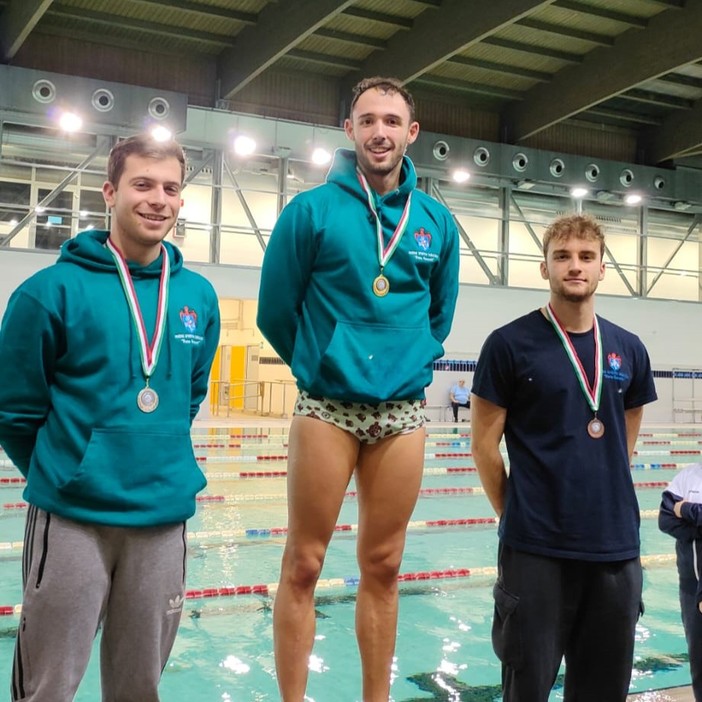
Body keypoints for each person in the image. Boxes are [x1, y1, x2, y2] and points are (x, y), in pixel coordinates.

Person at [257, 76, 459, 701]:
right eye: (368, 120)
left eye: (392, 121)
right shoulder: (310, 212)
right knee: (305, 564)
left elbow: (439, 315)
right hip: (328, 408)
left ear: (411, 132)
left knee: (385, 566)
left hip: (401, 413)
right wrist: (324, 364)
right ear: (349, 131)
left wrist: (399, 362)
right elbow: (275, 310)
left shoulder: (436, 221)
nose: (380, 132)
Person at [0, 133, 221, 701]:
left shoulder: (198, 296)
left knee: (138, 687)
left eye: (171, 188)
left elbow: (187, 398)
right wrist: (68, 470)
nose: (158, 199)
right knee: (48, 685)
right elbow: (15, 411)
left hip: (162, 520)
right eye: (142, 184)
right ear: (109, 192)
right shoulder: (49, 292)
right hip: (74, 520)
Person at [470, 213, 657, 701]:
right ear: (544, 267)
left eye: (586, 257)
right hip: (536, 550)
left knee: (603, 690)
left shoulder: (629, 349)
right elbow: (484, 447)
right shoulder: (508, 344)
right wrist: (514, 512)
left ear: (601, 269)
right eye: (563, 256)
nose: (575, 266)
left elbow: (625, 438)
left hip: (615, 551)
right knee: (526, 687)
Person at [658, 463, 702, 700]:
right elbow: (664, 520)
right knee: (699, 662)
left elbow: (676, 514)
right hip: (691, 587)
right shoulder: (687, 477)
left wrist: (685, 510)